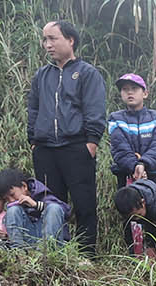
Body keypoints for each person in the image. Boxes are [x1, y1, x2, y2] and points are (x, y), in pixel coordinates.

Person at [26, 20, 107, 251]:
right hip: (45, 150)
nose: (47, 45)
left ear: (70, 40)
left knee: (84, 204)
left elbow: (95, 109)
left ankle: (86, 255)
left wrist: (91, 142)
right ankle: (54, 253)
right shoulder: (42, 75)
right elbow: (33, 108)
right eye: (45, 39)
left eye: (53, 38)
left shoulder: (87, 73)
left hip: (77, 147)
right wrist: (33, 140)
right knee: (49, 203)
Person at [107, 74, 156, 188]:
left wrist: (143, 164)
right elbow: (119, 148)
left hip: (154, 175)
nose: (130, 92)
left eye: (134, 89)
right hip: (126, 175)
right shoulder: (115, 118)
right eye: (125, 89)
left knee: (155, 205)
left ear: (145, 93)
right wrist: (135, 166)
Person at [0, 168, 69, 247]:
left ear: (24, 186)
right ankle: (18, 251)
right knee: (13, 210)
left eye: (12, 195)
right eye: (7, 199)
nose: (11, 200)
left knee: (54, 208)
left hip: (49, 237)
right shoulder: (15, 207)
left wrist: (36, 205)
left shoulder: (41, 192)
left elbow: (64, 211)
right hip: (29, 239)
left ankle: (49, 250)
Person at [111, 179, 156, 257]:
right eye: (132, 218)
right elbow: (149, 229)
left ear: (143, 203)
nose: (136, 219)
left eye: (137, 215)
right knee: (151, 245)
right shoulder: (136, 207)